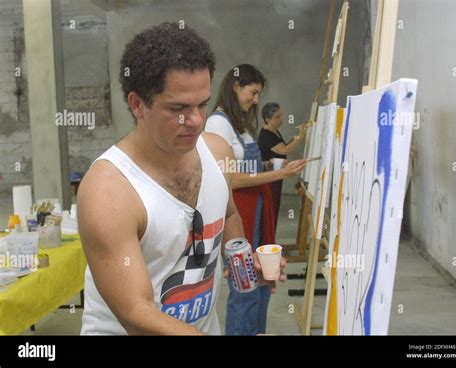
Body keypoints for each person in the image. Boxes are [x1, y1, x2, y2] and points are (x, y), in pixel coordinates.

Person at [78, 23, 285, 335]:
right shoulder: (109, 190)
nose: (197, 120)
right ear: (137, 104)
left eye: (202, 104)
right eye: (178, 108)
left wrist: (242, 258)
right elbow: (136, 313)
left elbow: (227, 213)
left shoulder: (216, 152)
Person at [205, 64, 306, 335]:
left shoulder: (241, 124)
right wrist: (279, 174)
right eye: (253, 92)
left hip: (257, 208)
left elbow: (245, 166)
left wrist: (268, 163)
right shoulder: (217, 124)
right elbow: (231, 179)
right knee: (244, 285)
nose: (256, 100)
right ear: (236, 86)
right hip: (239, 213)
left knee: (262, 279)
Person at [258, 102, 309, 226]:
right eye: (277, 117)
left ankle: (270, 237)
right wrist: (300, 136)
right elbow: (285, 149)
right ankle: (267, 240)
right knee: (270, 209)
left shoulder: (275, 131)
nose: (281, 120)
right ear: (267, 119)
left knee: (274, 207)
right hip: (269, 178)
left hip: (276, 176)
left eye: (281, 116)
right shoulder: (266, 135)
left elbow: (284, 148)